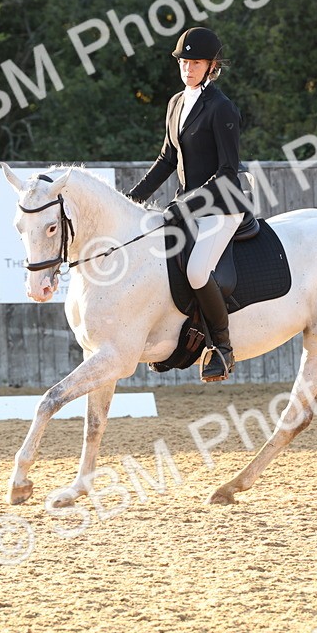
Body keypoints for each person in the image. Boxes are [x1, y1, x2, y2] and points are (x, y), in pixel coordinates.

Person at [126, 27, 253, 382]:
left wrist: (186, 205)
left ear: (211, 65)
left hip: (222, 205)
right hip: (186, 204)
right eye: (184, 62)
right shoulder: (176, 103)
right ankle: (176, 343)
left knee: (197, 271)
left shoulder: (222, 108)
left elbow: (228, 173)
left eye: (196, 63)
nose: (188, 68)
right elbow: (168, 159)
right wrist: (131, 201)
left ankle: (223, 348)